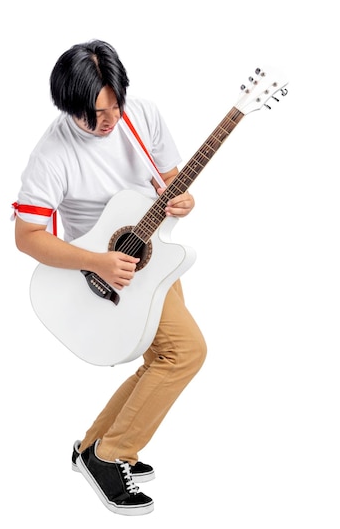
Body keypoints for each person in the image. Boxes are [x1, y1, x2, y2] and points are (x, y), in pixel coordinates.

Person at [13, 40, 207, 516]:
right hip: (106, 273)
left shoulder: (143, 114)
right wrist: (95, 262)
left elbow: (170, 177)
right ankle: (110, 455)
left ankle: (92, 447)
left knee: (164, 355)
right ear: (68, 106)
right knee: (185, 353)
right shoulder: (52, 154)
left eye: (114, 106)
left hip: (152, 254)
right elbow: (27, 236)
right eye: (94, 114)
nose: (109, 121)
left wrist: (181, 198)